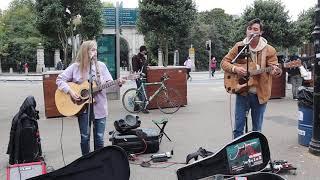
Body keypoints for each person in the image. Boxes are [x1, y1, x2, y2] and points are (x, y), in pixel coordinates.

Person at [56, 40, 124, 155]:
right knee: (85, 137)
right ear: (85, 51)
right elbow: (59, 80)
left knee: (99, 137)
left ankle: (99, 161)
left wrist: (118, 83)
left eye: (96, 49)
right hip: (83, 109)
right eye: (93, 50)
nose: (95, 52)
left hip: (100, 107)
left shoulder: (101, 66)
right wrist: (71, 92)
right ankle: (85, 161)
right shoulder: (75, 67)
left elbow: (109, 83)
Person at [220, 18, 282, 139]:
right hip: (242, 91)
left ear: (260, 32)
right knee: (238, 128)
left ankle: (254, 154)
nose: (252, 32)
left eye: (255, 29)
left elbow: (275, 69)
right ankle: (238, 154)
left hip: (260, 94)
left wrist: (275, 71)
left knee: (257, 129)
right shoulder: (239, 46)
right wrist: (236, 69)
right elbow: (224, 63)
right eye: (249, 29)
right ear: (246, 31)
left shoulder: (269, 49)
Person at [132, 45, 149, 114]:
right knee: (142, 92)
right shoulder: (136, 57)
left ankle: (136, 106)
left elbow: (144, 66)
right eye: (145, 50)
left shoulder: (143, 57)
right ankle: (143, 108)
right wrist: (139, 74)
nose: (146, 52)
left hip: (143, 77)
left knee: (139, 92)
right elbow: (135, 68)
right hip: (139, 77)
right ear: (143, 50)